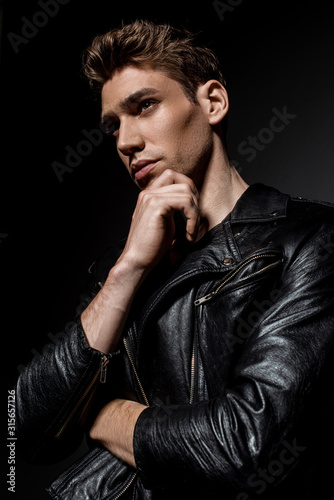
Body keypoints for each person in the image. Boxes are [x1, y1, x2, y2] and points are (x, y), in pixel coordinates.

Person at [16, 20, 334, 500]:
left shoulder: (312, 240)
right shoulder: (117, 269)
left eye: (144, 106)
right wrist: (127, 272)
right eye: (113, 125)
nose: (125, 141)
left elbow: (243, 445)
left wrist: (100, 415)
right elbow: (22, 435)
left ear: (212, 103)